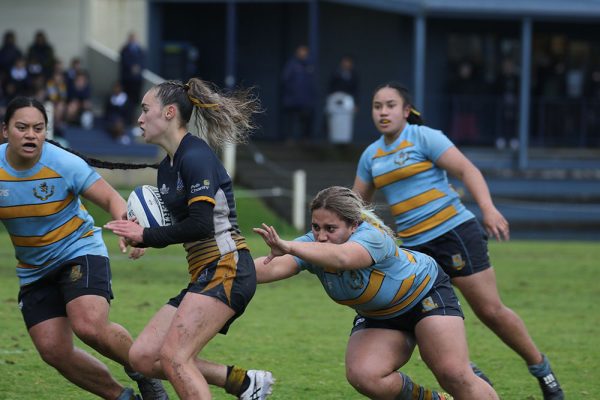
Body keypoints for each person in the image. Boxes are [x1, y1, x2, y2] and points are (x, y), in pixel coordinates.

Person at [352, 81, 564, 400]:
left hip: (453, 233)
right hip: (414, 251)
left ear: (406, 111)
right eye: (377, 106)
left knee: (490, 310)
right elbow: (356, 207)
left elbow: (468, 170)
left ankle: (542, 370)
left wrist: (489, 209)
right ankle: (469, 372)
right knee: (421, 318)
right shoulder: (371, 155)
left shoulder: (424, 137)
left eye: (390, 105)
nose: (383, 112)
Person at [104, 78, 274, 400]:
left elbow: (200, 226)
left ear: (169, 113)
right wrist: (142, 238)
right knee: (143, 356)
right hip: (205, 272)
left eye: (145, 110)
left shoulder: (196, 157)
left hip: (227, 266)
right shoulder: (167, 168)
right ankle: (243, 382)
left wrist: (147, 235)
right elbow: (175, 223)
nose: (139, 119)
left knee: (173, 357)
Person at [253, 186, 498, 399]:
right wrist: (225, 272)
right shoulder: (310, 245)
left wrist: (291, 246)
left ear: (353, 225)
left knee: (453, 373)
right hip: (380, 315)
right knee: (364, 376)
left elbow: (343, 258)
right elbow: (272, 265)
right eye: (316, 227)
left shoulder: (373, 236)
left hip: (425, 296)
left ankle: (465, 370)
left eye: (330, 228)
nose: (321, 236)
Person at [0, 96, 169, 399]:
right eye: (22, 127)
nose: (30, 134)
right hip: (34, 269)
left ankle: (141, 368)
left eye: (38, 128)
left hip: (78, 250)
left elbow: (110, 199)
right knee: (53, 350)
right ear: (5, 131)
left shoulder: (63, 162)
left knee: (89, 324)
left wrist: (130, 228)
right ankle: (122, 397)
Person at [281, 44, 316, 144]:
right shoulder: (292, 64)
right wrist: (291, 92)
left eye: (305, 51)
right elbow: (285, 80)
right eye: (301, 51)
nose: (303, 54)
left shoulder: (309, 65)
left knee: (305, 119)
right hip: (292, 98)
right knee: (290, 119)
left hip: (305, 100)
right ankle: (289, 138)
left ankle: (304, 138)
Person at [119, 32, 145, 124]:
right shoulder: (124, 50)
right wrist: (132, 67)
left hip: (137, 81)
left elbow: (143, 62)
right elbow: (124, 62)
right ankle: (126, 119)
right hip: (127, 80)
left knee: (136, 102)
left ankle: (132, 119)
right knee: (126, 100)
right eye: (131, 38)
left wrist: (138, 68)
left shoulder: (140, 50)